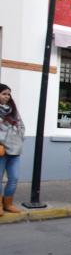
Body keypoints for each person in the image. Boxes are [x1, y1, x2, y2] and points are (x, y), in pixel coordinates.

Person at [0, 83, 25, 215]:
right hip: (1, 151)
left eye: (8, 94)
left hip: (15, 150)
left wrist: (20, 138)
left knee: (14, 178)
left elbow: (21, 126)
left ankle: (8, 203)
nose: (7, 96)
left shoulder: (13, 110)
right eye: (4, 94)